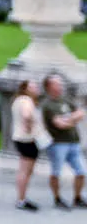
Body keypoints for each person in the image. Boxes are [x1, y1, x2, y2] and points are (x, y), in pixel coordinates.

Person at [40, 73, 84, 210]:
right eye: (57, 83)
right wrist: (73, 118)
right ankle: (57, 198)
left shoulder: (65, 100)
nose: (60, 86)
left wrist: (68, 119)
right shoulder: (48, 105)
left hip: (73, 142)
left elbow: (81, 113)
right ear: (49, 86)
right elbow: (59, 124)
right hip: (58, 144)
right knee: (56, 172)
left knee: (81, 172)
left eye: (60, 83)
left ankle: (77, 198)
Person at [10, 79, 45, 211]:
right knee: (25, 171)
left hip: (20, 138)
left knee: (24, 170)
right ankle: (21, 199)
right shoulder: (26, 100)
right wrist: (29, 127)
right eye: (33, 87)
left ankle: (21, 197)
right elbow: (26, 115)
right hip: (27, 140)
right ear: (26, 89)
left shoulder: (18, 100)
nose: (36, 89)